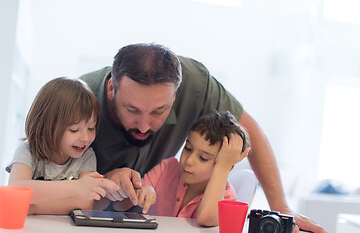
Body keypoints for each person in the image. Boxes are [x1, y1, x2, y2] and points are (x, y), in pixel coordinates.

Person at [80, 43, 326, 233]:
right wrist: (106, 182)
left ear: (175, 96)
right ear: (112, 89)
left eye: (158, 111)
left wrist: (282, 210)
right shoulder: (79, 97)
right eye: (132, 110)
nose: (144, 126)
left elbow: (252, 135)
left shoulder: (196, 84)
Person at [112, 111, 250, 227]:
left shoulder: (226, 196)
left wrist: (222, 167)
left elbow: (206, 218)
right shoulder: (168, 168)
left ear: (226, 167)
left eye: (203, 158)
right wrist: (142, 191)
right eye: (188, 148)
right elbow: (119, 205)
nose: (189, 160)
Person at [6, 77, 119, 215]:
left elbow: (86, 204)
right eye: (74, 130)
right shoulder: (28, 150)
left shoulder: (87, 156)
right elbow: (16, 190)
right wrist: (75, 188)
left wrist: (33, 207)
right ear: (46, 126)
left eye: (91, 128)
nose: (86, 138)